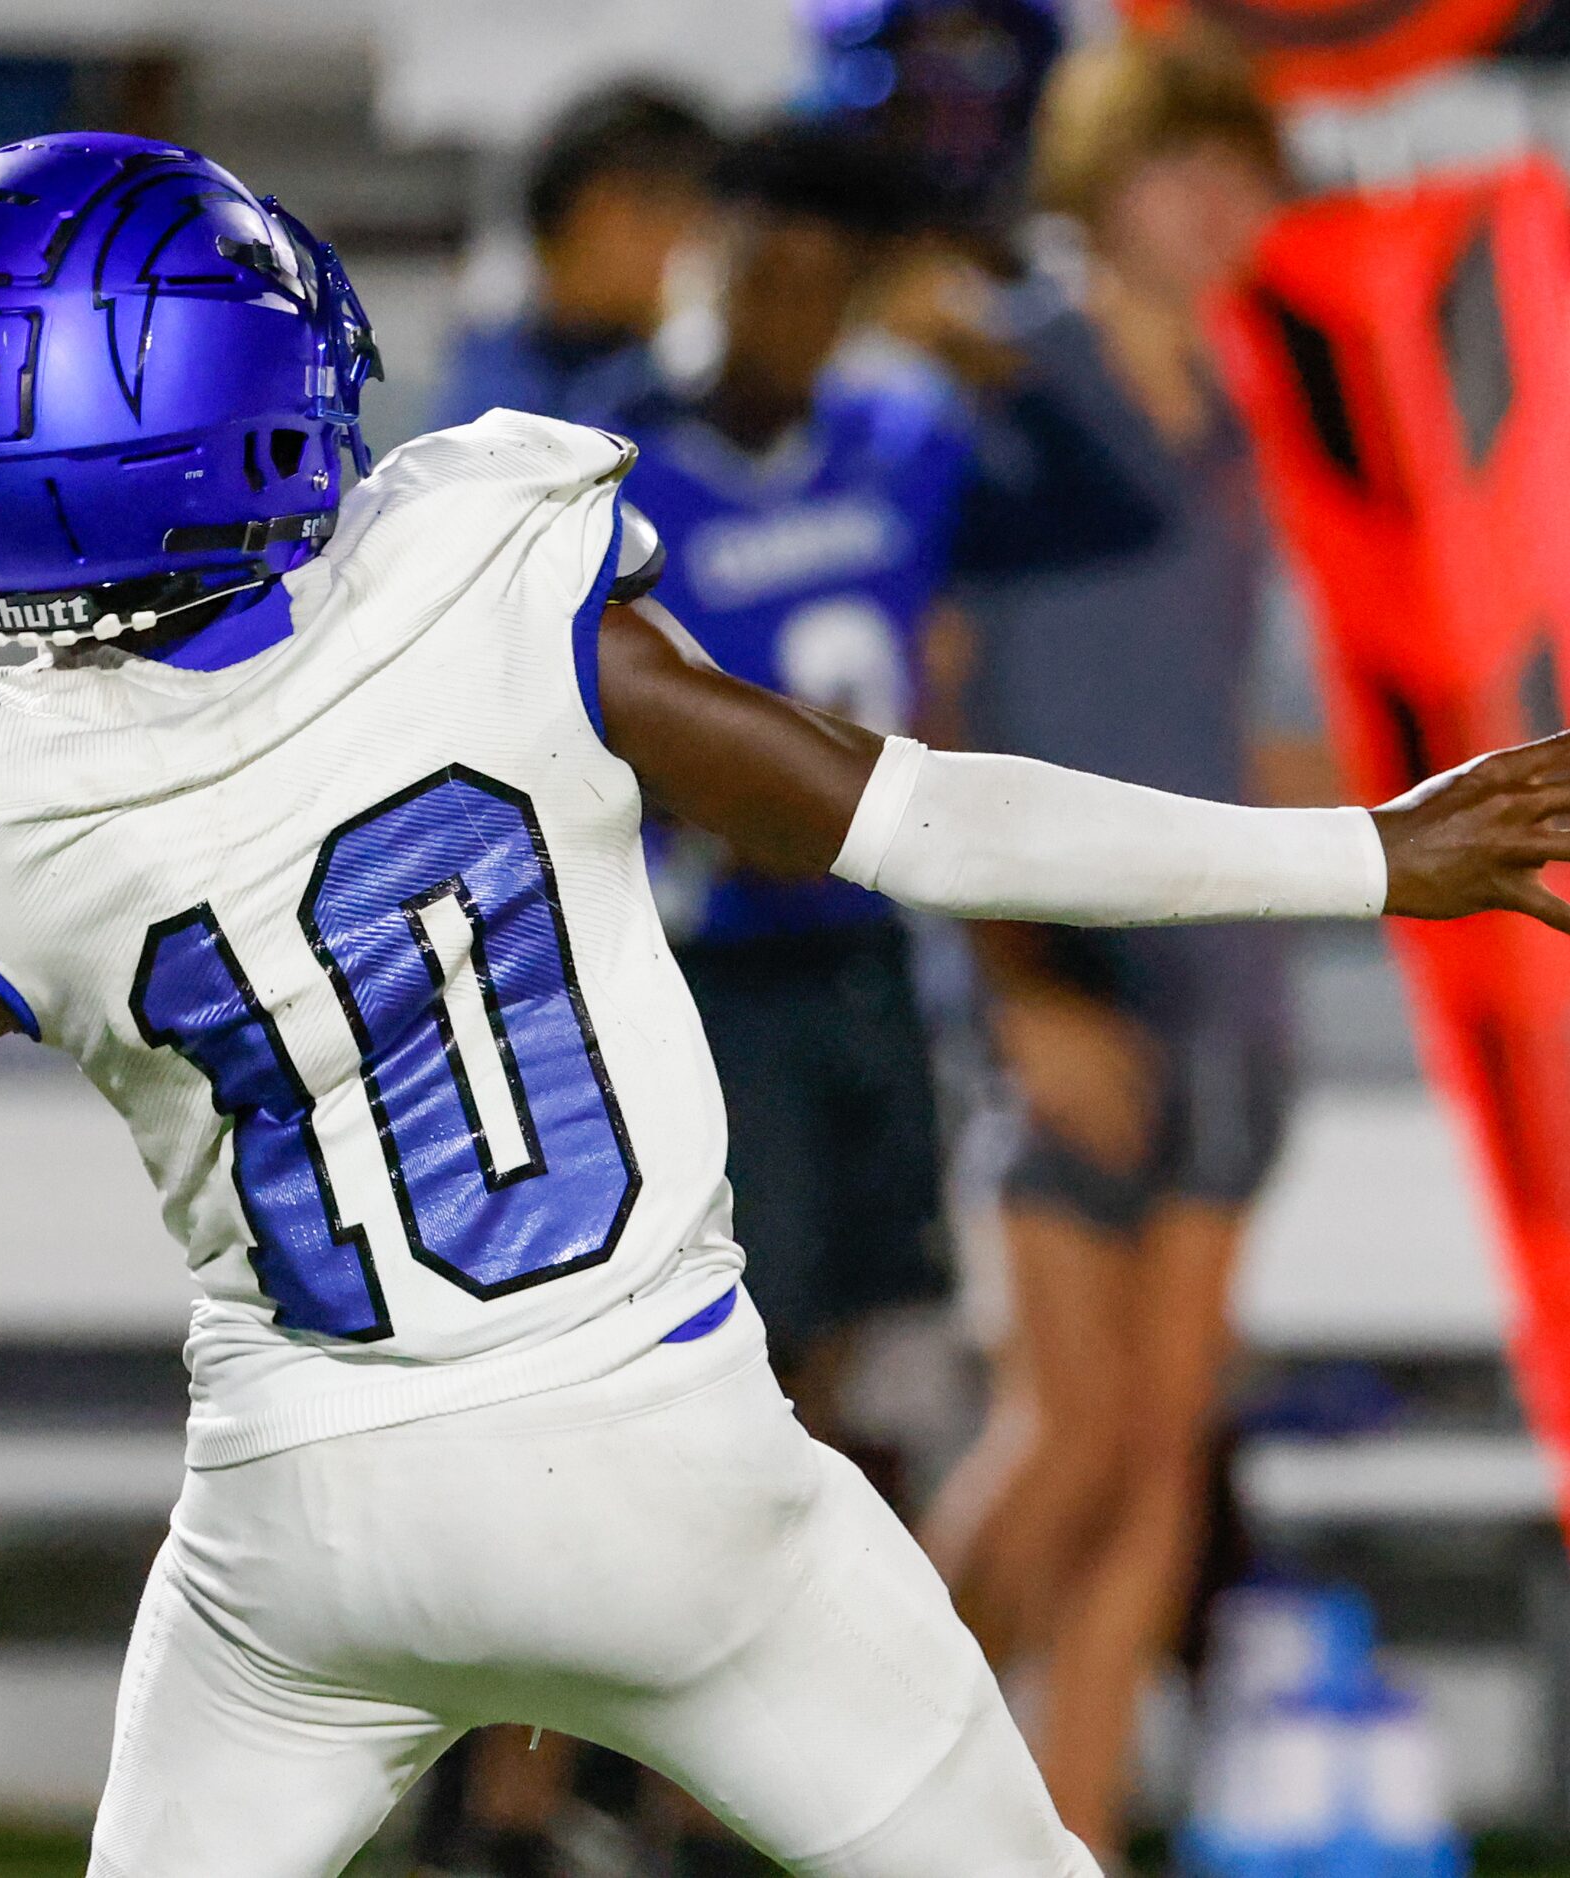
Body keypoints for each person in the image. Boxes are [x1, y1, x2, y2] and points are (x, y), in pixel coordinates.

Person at [0, 132, 1570, 1878]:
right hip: (666, 1464)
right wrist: (1369, 851)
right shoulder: (482, 565)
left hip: (303, 1533)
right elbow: (909, 819)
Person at [424, 122, 973, 1878]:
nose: (790, 312)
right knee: (631, 1402)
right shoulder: (605, 457)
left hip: (853, 963)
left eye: (826, 283)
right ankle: (514, 1806)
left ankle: (682, 1803)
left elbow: (972, 631)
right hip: (677, 966)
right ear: (713, 268)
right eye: (767, 270)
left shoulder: (904, 436)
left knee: (795, 1403)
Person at [882, 26, 1339, 1857]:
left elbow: (1221, 725)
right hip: (1056, 966)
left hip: (1225, 979)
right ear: (1095, 178)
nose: (1218, 203)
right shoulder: (1002, 379)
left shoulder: (1235, 413)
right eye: (1181, 165)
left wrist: (1439, 787)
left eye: (1243, 171)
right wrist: (1011, 986)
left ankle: (1061, 1833)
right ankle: (832, 1794)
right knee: (1057, 1437)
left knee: (1158, 1451)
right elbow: (922, 719)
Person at [428, 83, 721, 430]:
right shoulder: (485, 404)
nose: (677, 237)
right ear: (566, 217)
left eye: (692, 211)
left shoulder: (679, 400)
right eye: (653, 205)